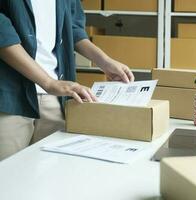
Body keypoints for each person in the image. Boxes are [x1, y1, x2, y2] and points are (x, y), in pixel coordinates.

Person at [0, 0, 134, 160]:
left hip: (55, 97)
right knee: (7, 176)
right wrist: (48, 82)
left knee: (51, 175)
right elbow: (2, 34)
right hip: (9, 97)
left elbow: (73, 27)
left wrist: (104, 61)